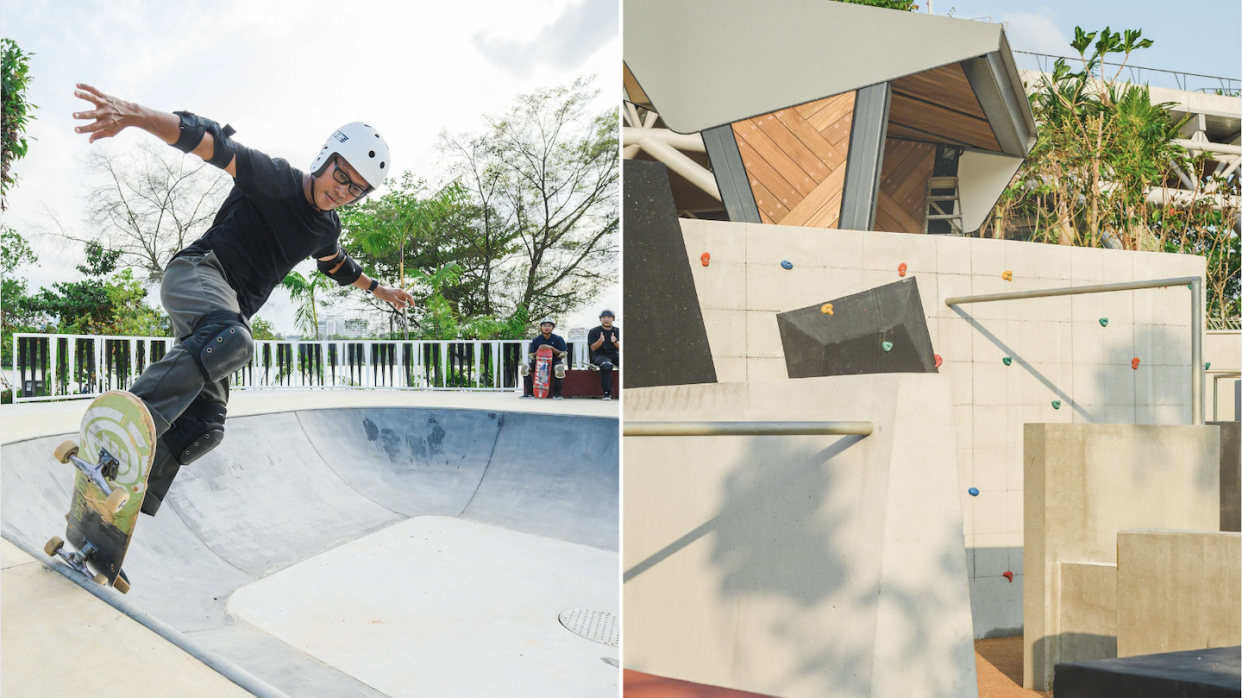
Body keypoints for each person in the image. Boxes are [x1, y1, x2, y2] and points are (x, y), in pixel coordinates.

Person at [71, 84, 415, 516]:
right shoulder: (277, 180)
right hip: (198, 272)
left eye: (357, 190)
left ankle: (113, 508)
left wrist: (380, 290)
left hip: (223, 314)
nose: (343, 191)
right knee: (233, 339)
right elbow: (210, 141)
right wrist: (135, 114)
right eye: (341, 175)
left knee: (205, 426)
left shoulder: (326, 228)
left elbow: (335, 264)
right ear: (325, 159)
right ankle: (119, 431)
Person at [520, 317, 567, 399]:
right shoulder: (536, 340)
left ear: (552, 327)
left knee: (559, 368)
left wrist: (551, 348)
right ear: (541, 327)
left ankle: (557, 394)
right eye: (544, 325)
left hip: (554, 362)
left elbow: (563, 354)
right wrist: (538, 350)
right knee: (525, 368)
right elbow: (532, 355)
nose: (546, 327)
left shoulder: (558, 339)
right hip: (539, 362)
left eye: (549, 325)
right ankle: (530, 393)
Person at [587, 310, 620, 400]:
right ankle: (607, 392)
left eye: (609, 317)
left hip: (614, 354)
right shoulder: (594, 331)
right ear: (600, 319)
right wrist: (600, 341)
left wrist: (615, 342)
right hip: (599, 355)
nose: (606, 319)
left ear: (613, 319)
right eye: (604, 318)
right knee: (606, 366)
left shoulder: (618, 331)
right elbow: (593, 348)